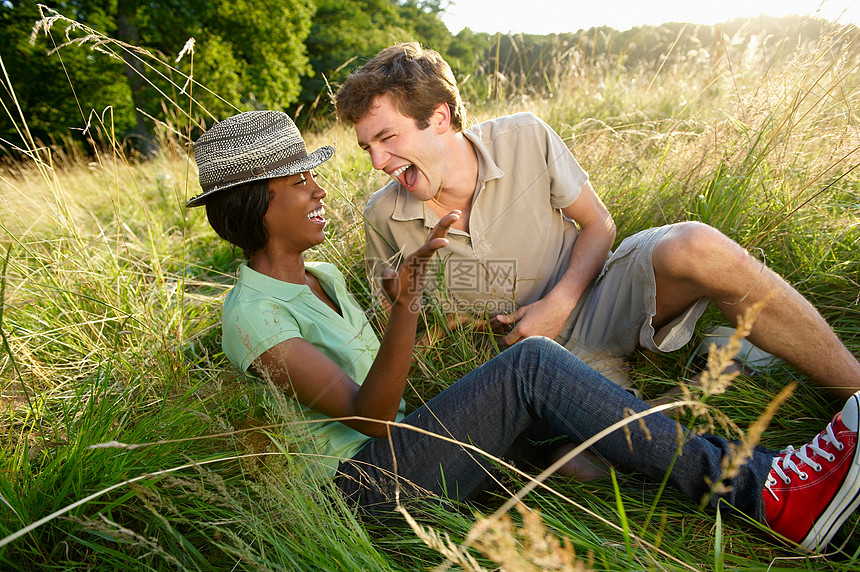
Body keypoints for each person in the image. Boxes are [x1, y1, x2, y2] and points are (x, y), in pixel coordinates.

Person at [186, 109, 860, 553]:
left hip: (408, 447)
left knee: (576, 425)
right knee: (536, 368)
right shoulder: (250, 315)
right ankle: (766, 492)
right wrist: (408, 304)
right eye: (300, 181)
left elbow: (391, 375)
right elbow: (370, 417)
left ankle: (739, 389)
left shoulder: (325, 276)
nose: (320, 190)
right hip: (361, 492)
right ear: (257, 203)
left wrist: (442, 323)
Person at [332, 42, 860, 398]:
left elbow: (600, 225)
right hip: (529, 360)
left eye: (387, 138)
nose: (378, 162)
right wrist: (457, 329)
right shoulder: (384, 214)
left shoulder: (524, 138)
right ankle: (709, 359)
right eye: (367, 148)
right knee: (584, 466)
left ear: (439, 118)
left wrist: (558, 303)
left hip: (601, 295)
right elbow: (404, 322)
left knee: (694, 244)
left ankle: (853, 391)